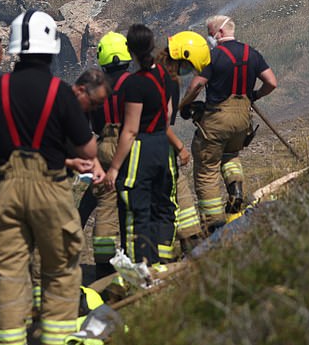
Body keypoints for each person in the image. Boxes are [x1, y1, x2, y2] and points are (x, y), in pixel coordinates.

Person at [0, 9, 103, 345]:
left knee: (10, 274)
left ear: (16, 49)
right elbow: (89, 150)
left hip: (5, 190)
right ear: (51, 48)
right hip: (49, 187)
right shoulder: (60, 92)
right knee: (60, 270)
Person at [179, 15, 277, 231]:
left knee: (207, 170)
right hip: (243, 120)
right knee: (231, 155)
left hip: (217, 119)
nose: (209, 38)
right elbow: (272, 82)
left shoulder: (213, 56)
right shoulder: (252, 53)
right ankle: (236, 190)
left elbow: (196, 85)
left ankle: (214, 226)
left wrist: (184, 105)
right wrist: (255, 95)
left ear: (220, 33)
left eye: (209, 33)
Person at [105, 24, 177, 266]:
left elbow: (131, 129)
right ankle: (159, 263)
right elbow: (166, 114)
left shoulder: (135, 83)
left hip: (142, 147)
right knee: (161, 204)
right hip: (161, 146)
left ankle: (140, 270)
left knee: (136, 209)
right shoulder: (164, 75)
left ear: (129, 50)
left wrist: (114, 168)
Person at [78, 31, 132, 279]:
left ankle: (103, 265)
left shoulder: (98, 89)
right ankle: (131, 257)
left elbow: (89, 123)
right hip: (129, 145)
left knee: (102, 204)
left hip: (103, 145)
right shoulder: (135, 83)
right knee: (129, 202)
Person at [163, 30, 212, 251]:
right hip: (155, 146)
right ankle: (188, 243)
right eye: (188, 66)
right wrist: (181, 148)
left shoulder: (155, 73)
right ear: (180, 56)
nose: (187, 72)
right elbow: (160, 124)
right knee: (176, 190)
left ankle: (189, 241)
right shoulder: (167, 82)